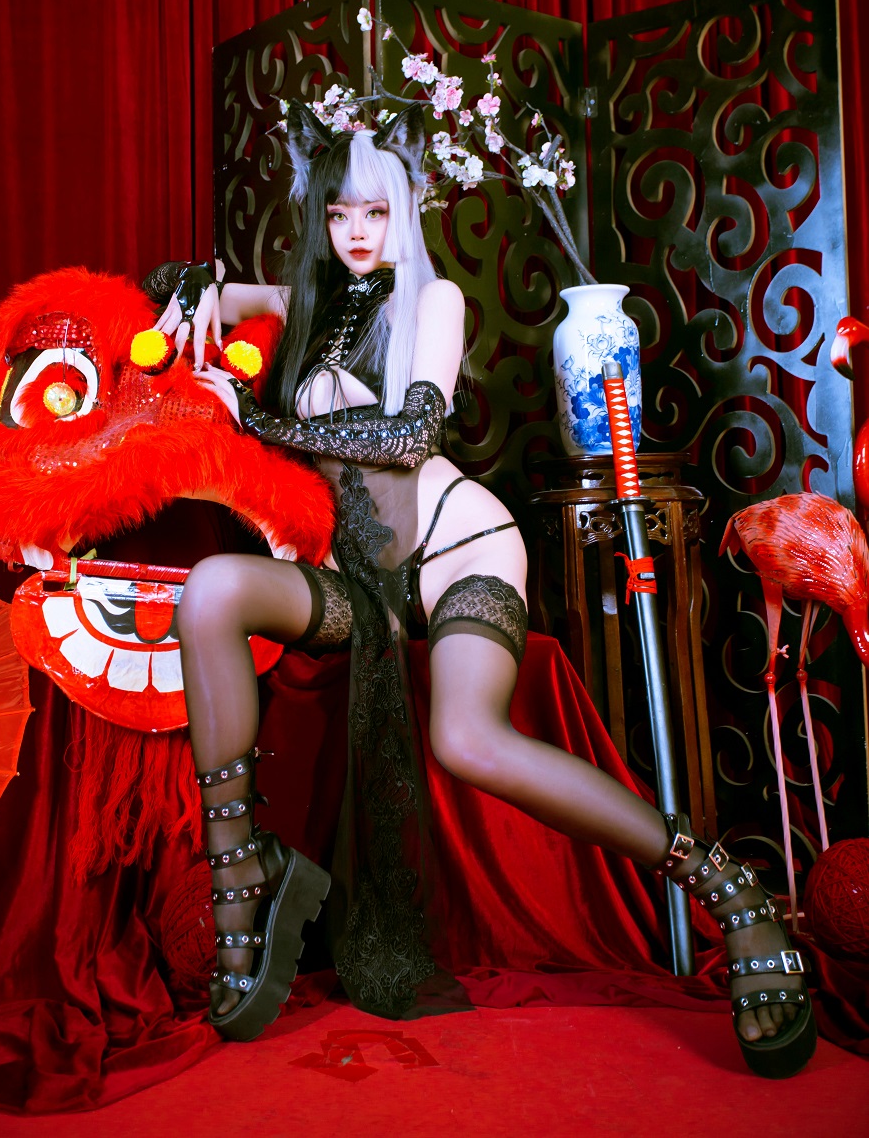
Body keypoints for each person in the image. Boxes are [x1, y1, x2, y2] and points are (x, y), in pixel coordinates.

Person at [150, 100, 815, 1077]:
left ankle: (728, 888)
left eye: (376, 211)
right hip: (355, 579)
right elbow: (177, 284)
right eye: (338, 213)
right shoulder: (308, 301)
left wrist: (250, 419)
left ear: (405, 210)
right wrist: (189, 294)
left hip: (459, 550)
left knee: (466, 739)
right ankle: (246, 872)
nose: (357, 232)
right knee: (209, 590)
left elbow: (407, 438)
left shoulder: (436, 301)